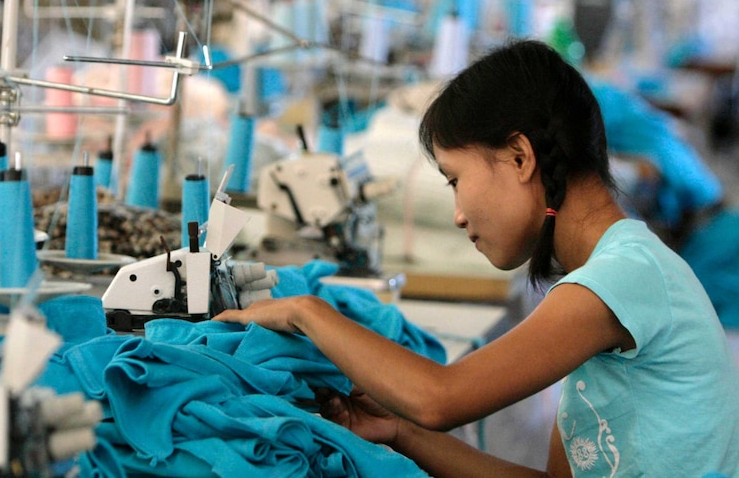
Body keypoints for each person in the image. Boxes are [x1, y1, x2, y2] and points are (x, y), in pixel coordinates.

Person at [214, 40, 739, 477]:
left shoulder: (621, 278)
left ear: (520, 157)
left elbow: (439, 398)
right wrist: (401, 433)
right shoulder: (615, 275)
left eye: (456, 180)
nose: (460, 214)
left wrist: (307, 312)